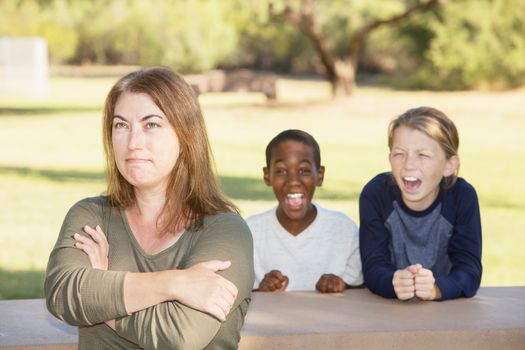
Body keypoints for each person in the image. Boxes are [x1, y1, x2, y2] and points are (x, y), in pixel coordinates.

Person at [44, 67, 254, 349]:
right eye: (121, 125)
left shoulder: (227, 232)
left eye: (151, 124)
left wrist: (102, 292)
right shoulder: (91, 216)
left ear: (185, 136)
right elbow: (63, 296)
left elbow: (179, 335)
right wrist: (173, 283)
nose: (133, 143)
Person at [359, 106, 482, 301]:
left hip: (448, 315)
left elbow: (469, 270)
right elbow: (373, 266)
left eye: (422, 155)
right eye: (399, 154)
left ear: (449, 165)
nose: (408, 164)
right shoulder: (375, 194)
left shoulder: (462, 197)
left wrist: (437, 289)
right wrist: (393, 282)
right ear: (389, 158)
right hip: (387, 314)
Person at [246, 129, 363, 293]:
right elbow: (236, 298)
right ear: (267, 176)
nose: (293, 181)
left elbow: (361, 292)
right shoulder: (249, 232)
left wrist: (340, 285)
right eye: (281, 171)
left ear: (320, 175)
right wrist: (261, 291)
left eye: (304, 170)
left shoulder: (344, 230)